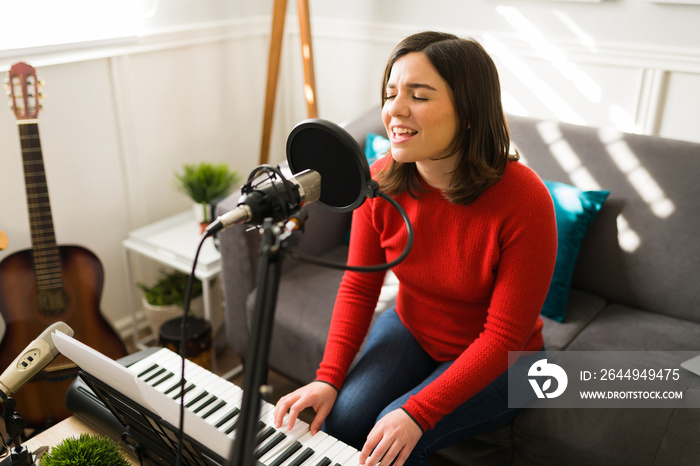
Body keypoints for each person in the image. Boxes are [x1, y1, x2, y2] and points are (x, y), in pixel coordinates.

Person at [273, 31, 557, 466]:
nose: (395, 110)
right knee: (344, 421)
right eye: (390, 94)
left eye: (419, 96)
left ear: (467, 112)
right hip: (413, 328)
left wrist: (417, 412)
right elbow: (359, 286)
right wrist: (328, 379)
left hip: (510, 361)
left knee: (392, 441)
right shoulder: (378, 180)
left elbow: (505, 337)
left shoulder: (525, 200)